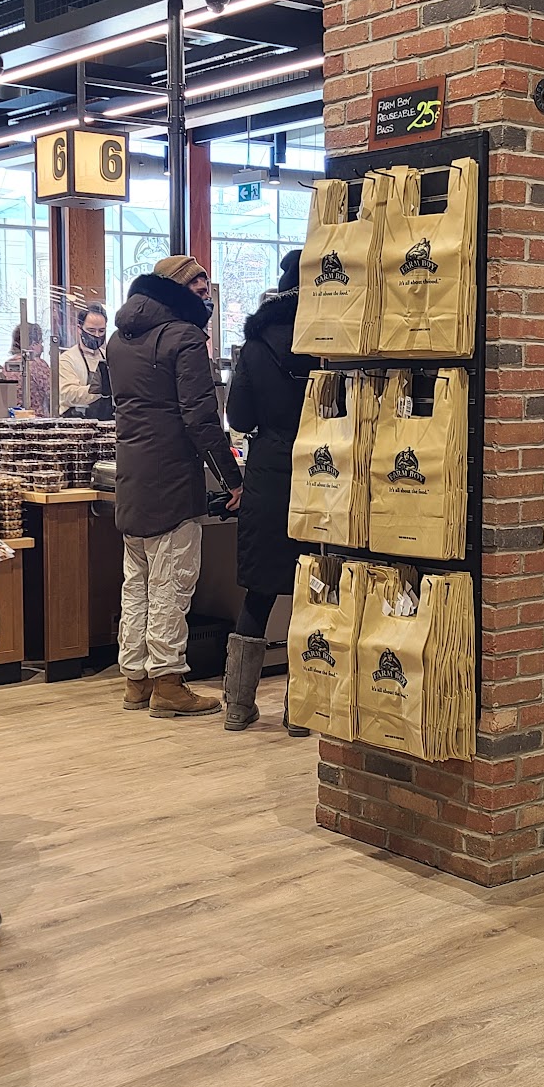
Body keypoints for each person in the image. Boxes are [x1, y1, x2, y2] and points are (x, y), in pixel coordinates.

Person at [106, 254, 243, 718]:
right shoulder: (184, 337)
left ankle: (136, 680)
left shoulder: (118, 340)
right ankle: (168, 683)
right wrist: (232, 478)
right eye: (199, 291)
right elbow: (201, 419)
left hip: (132, 475)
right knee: (172, 583)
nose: (205, 298)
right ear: (176, 291)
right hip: (172, 478)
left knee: (137, 583)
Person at [222, 253, 315, 733]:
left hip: (269, 472)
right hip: (324, 469)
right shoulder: (328, 339)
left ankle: (238, 706)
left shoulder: (256, 345)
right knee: (311, 593)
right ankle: (300, 711)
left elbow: (238, 417)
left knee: (259, 594)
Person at [57, 302, 110, 416]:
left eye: (101, 331)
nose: (97, 335)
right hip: (75, 422)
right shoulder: (67, 360)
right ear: (79, 329)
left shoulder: (108, 357)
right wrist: (99, 390)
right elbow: (68, 394)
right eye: (91, 330)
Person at [5, 321, 52, 415]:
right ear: (33, 344)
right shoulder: (39, 365)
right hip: (36, 419)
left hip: (13, 417)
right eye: (41, 343)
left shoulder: (7, 366)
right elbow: (52, 394)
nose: (42, 348)